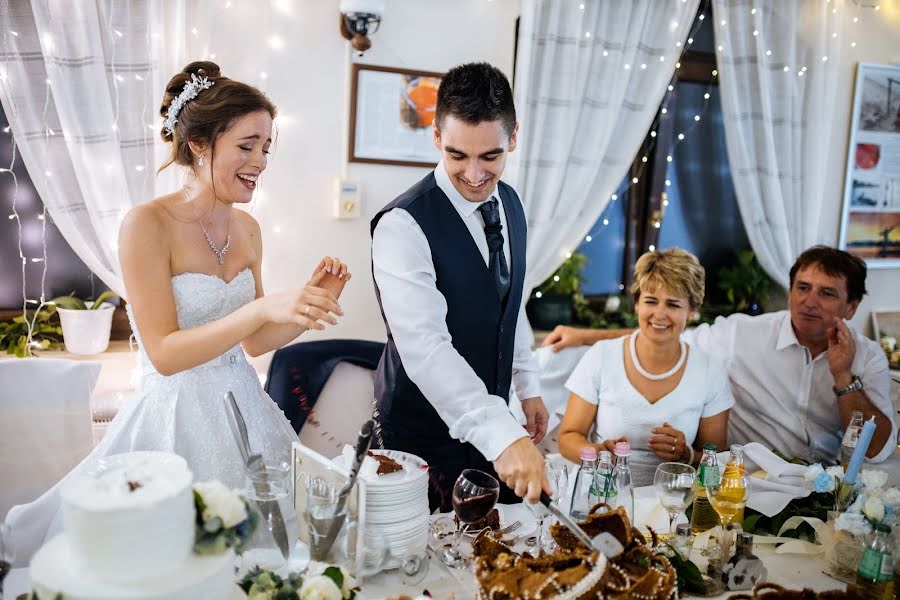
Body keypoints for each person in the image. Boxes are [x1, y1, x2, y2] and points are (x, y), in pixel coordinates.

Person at [5, 61, 350, 564]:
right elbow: (164, 353)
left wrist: (306, 306)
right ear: (199, 144)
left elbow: (254, 342)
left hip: (248, 417)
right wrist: (261, 310)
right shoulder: (146, 224)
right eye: (247, 145)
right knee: (172, 561)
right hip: (173, 420)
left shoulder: (249, 229)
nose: (261, 161)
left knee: (268, 557)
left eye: (267, 147)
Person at [371, 62, 549, 511]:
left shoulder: (511, 204)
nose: (473, 174)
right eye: (457, 155)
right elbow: (426, 348)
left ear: (513, 138)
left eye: (490, 157)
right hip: (419, 439)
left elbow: (509, 307)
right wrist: (502, 435)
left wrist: (526, 385)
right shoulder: (402, 226)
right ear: (436, 138)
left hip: (489, 428)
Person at [545, 246, 896, 464]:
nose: (810, 301)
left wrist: (843, 377)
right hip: (753, 479)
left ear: (851, 307)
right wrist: (586, 336)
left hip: (823, 482)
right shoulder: (741, 335)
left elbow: (876, 448)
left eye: (827, 293)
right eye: (802, 288)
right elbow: (661, 333)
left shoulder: (867, 358)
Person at [558, 249, 734, 486]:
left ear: (691, 311)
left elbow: (716, 461)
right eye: (651, 301)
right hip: (603, 496)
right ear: (637, 305)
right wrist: (598, 453)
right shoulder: (602, 355)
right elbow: (568, 437)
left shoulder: (709, 372)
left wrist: (687, 455)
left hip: (675, 503)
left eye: (673, 304)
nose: (659, 315)